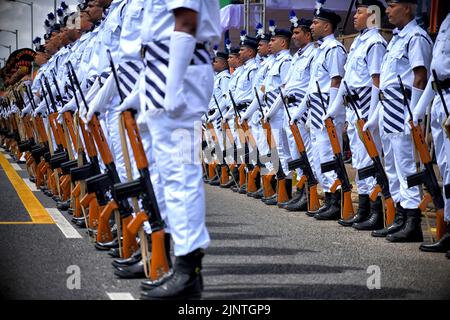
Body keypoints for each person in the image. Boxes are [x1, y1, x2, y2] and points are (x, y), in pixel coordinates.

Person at [138, 0, 220, 300]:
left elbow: (186, 21)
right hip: (163, 73)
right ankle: (183, 267)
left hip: (178, 76)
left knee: (181, 177)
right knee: (171, 177)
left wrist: (171, 88)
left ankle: (188, 270)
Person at [365, 0, 432, 242]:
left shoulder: (416, 37)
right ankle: (399, 218)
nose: (387, 10)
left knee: (406, 166)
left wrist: (414, 114)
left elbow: (420, 77)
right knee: (392, 166)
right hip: (388, 106)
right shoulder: (397, 38)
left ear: (408, 7)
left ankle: (412, 222)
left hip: (404, 108)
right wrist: (375, 116)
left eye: (392, 5)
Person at [324, 0, 387, 230]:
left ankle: (375, 210)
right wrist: (333, 109)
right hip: (353, 109)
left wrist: (371, 116)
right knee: (360, 161)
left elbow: (376, 82)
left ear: (371, 15)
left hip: (365, 108)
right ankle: (363, 209)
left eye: (359, 12)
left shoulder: (375, 43)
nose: (355, 16)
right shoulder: (358, 42)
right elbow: (347, 81)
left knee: (370, 161)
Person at [292, 3, 347, 220]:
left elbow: (336, 81)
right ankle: (329, 198)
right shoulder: (320, 50)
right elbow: (312, 85)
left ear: (327, 27)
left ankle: (336, 199)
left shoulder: (334, 49)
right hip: (315, 108)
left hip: (327, 107)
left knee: (329, 154)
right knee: (318, 154)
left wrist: (331, 112)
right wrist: (301, 111)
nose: (312, 26)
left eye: (315, 23)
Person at [414, 5, 450, 255]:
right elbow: (436, 71)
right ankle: (448, 227)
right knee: (446, 168)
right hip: (439, 96)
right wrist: (419, 109)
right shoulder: (446, 21)